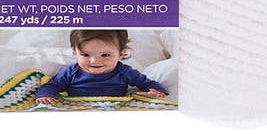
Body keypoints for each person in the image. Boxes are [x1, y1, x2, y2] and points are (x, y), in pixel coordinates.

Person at [35, 30, 169, 104]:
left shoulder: (125, 72)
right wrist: (45, 95)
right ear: (75, 52)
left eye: (105, 55)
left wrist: (156, 91)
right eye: (85, 55)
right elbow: (53, 85)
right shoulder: (71, 71)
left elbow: (147, 83)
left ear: (121, 54)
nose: (94, 61)